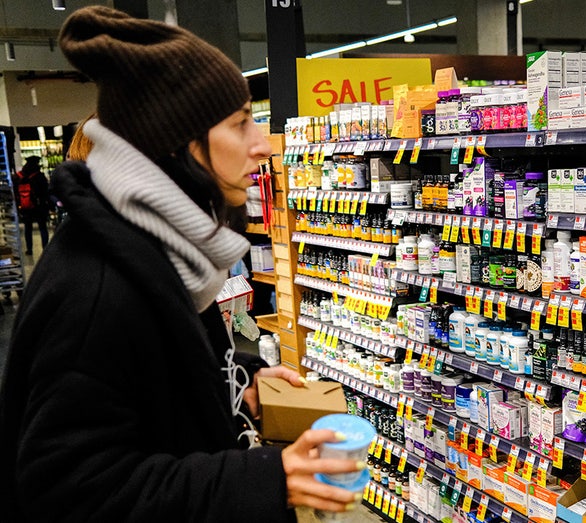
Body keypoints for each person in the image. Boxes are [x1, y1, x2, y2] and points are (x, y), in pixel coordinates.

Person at [0, 6, 360, 522]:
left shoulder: (158, 251)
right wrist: (264, 478)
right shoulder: (100, 288)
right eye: (240, 124)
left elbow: (151, 389)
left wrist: (238, 386)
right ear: (177, 146)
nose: (261, 145)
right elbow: (67, 488)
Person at [13, 155, 50, 255]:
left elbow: (15, 192)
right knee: (43, 228)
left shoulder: (19, 176)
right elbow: (46, 192)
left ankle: (29, 249)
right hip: (39, 206)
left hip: (26, 207)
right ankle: (45, 249)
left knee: (27, 228)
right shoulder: (39, 176)